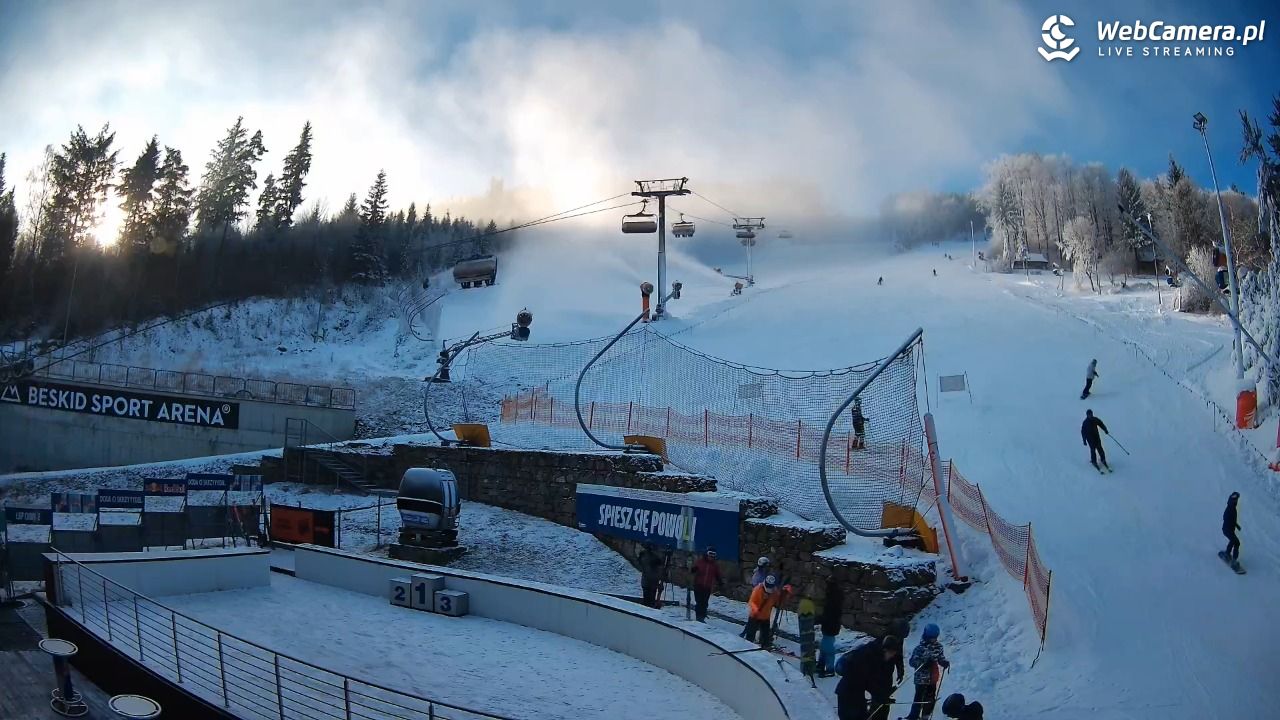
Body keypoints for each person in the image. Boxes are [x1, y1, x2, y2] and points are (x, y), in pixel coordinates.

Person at [835, 635, 903, 720]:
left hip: (857, 693)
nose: (892, 657)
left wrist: (883, 695)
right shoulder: (868, 656)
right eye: (892, 654)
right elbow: (867, 680)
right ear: (885, 650)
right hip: (848, 693)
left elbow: (872, 680)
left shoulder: (876, 654)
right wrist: (881, 697)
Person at [906, 624, 949, 720]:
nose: (933, 640)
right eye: (931, 638)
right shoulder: (919, 649)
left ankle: (925, 716)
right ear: (926, 636)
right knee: (919, 698)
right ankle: (913, 716)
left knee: (930, 699)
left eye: (935, 638)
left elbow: (940, 658)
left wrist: (944, 663)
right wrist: (922, 663)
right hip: (921, 679)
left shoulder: (938, 647)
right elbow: (912, 662)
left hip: (933, 678)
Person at [745, 574, 785, 647]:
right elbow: (751, 602)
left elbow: (779, 603)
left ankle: (765, 648)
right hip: (755, 616)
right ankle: (747, 647)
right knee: (750, 634)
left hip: (765, 617)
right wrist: (756, 609)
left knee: (765, 636)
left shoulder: (775, 592)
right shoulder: (757, 589)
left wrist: (785, 593)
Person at [818, 579, 844, 677]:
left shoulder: (832, 600)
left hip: (830, 627)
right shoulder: (835, 598)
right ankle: (821, 664)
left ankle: (829, 669)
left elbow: (828, 615)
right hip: (831, 627)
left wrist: (819, 619)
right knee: (824, 646)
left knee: (828, 648)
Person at [691, 547, 724, 622]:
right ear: (707, 554)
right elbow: (693, 569)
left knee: (704, 603)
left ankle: (702, 617)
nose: (711, 557)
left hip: (707, 587)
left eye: (713, 556)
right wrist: (693, 569)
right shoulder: (701, 562)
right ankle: (698, 617)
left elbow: (717, 575)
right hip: (698, 585)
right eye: (710, 555)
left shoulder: (714, 565)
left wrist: (720, 582)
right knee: (699, 602)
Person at [1222, 492, 1241, 563]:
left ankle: (1227, 554)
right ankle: (1234, 560)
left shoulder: (1232, 507)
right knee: (1236, 542)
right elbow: (1225, 517)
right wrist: (1230, 524)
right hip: (1227, 529)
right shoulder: (1230, 507)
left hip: (1229, 529)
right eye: (1236, 499)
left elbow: (1232, 519)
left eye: (1237, 499)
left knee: (1233, 541)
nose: (1237, 501)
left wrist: (1236, 525)